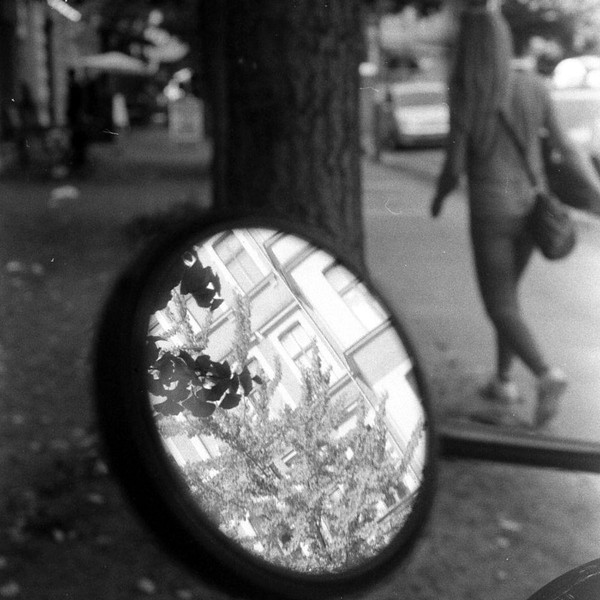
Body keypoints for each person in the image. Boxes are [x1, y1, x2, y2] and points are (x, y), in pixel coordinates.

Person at [430, 4, 600, 427]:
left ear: (467, 49)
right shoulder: (533, 86)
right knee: (509, 298)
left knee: (499, 303)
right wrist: (596, 191)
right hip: (530, 206)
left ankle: (546, 374)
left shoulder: (466, 95)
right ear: (503, 41)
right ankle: (503, 380)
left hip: (491, 212)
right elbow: (567, 147)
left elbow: (454, 167)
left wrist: (439, 198)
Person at [66, 69, 89, 168]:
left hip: (75, 116)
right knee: (77, 138)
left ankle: (78, 159)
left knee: (77, 138)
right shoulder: (75, 86)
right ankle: (78, 158)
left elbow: (74, 103)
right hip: (75, 116)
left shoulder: (74, 86)